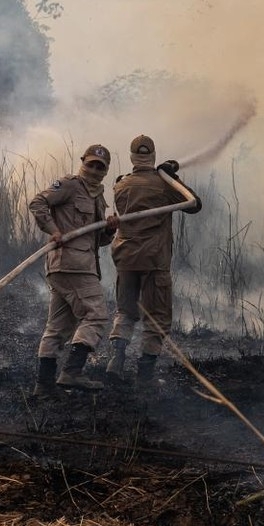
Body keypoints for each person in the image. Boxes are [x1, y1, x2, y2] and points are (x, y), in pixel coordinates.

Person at [106, 134, 202, 387]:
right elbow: (194, 205)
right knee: (157, 316)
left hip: (125, 258)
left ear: (131, 157)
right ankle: (145, 376)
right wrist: (171, 176)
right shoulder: (163, 185)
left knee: (125, 311)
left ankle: (116, 358)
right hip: (154, 259)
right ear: (154, 156)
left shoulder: (120, 185)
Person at [28, 144, 118, 397]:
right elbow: (37, 202)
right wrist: (53, 230)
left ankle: (43, 385)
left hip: (75, 266)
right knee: (97, 315)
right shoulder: (69, 185)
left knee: (58, 326)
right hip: (71, 266)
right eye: (91, 164)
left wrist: (110, 229)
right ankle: (72, 372)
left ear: (106, 170)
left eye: (100, 166)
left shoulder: (98, 197)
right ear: (83, 162)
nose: (94, 169)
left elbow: (95, 240)